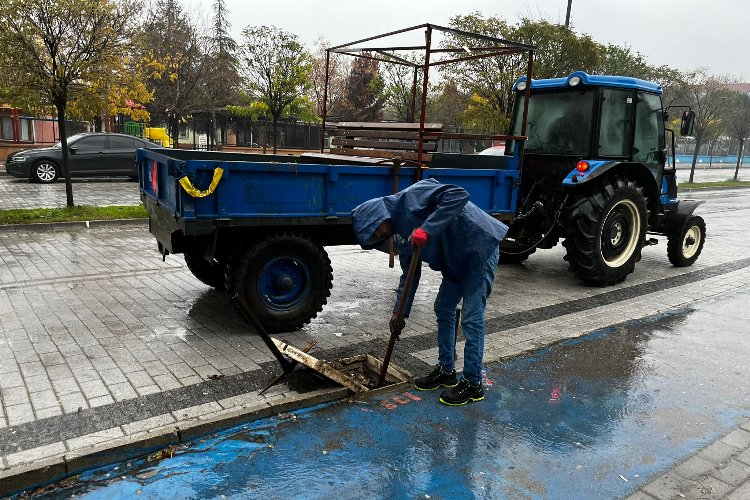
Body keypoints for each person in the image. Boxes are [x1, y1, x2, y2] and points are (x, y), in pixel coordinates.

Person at [351, 178, 508, 406]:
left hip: (478, 247)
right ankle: (446, 371)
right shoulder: (400, 237)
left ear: (377, 215)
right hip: (455, 260)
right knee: (443, 307)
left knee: (472, 318)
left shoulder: (413, 196)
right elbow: (409, 275)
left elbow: (458, 194)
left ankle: (473, 383)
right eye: (374, 236)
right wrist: (399, 314)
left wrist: (427, 228)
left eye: (375, 230)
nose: (378, 235)